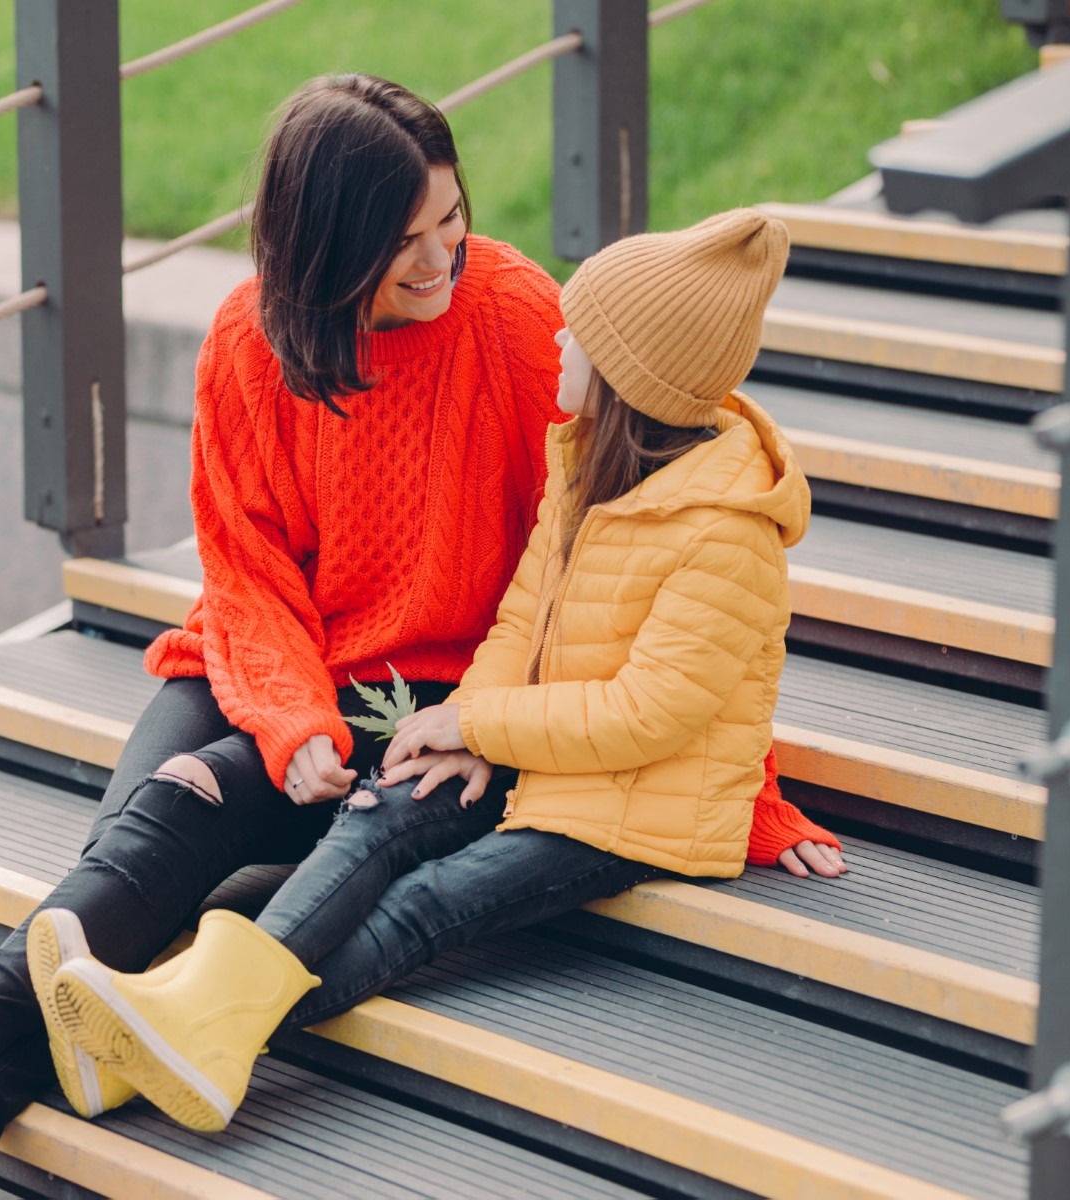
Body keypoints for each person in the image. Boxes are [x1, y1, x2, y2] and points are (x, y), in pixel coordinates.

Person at [0, 77, 842, 1200]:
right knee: (159, 832)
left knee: (187, 894)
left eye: (454, 221)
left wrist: (746, 786)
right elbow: (239, 564)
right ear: (328, 247)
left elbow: (635, 552)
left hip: (436, 691)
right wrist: (288, 718)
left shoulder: (524, 319)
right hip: (275, 652)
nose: (444, 260)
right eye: (406, 242)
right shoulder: (250, 341)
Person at [42, 207, 824, 1135]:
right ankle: (164, 1036)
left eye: (586, 333)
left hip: (629, 815)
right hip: (549, 761)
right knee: (375, 812)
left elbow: (650, 713)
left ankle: (185, 1038)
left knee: (423, 906)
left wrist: (478, 726)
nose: (560, 336)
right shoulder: (584, 470)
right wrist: (467, 731)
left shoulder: (728, 532)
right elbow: (521, 619)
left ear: (631, 379)